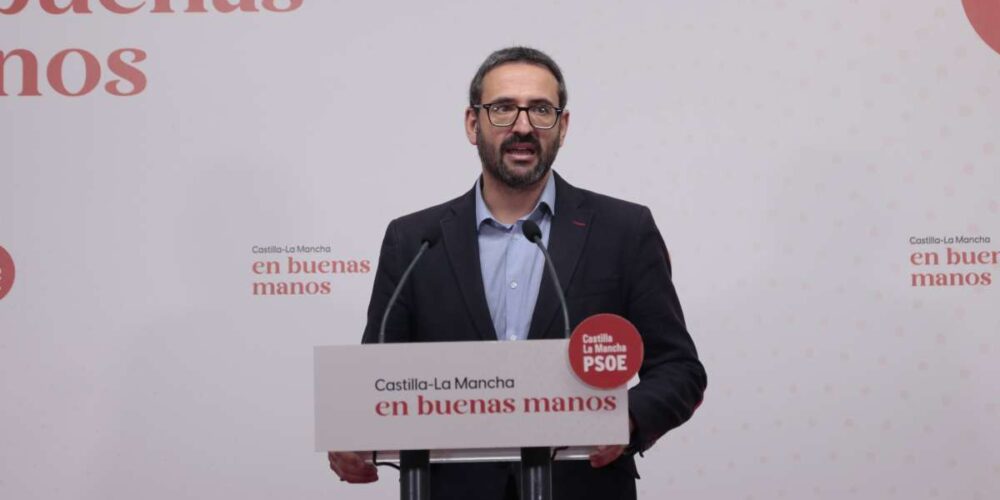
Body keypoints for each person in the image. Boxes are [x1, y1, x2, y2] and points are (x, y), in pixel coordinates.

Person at [328, 46, 706, 500]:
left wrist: (625, 418)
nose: (523, 126)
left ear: (562, 127)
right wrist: (353, 431)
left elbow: (679, 369)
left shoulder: (623, 231)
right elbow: (378, 378)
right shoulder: (414, 241)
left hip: (583, 486)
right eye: (504, 108)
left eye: (541, 110)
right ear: (474, 124)